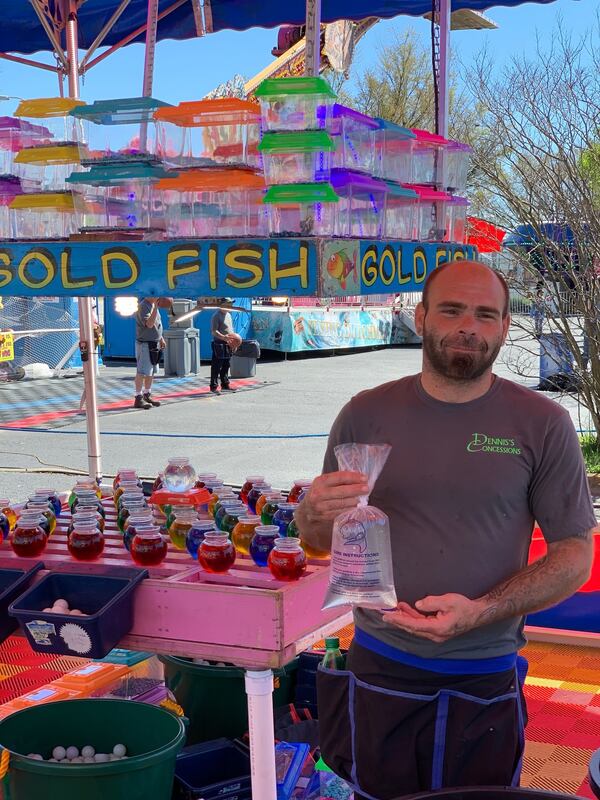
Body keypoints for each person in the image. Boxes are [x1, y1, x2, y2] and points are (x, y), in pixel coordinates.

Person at [296, 260, 595, 800]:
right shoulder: (364, 414)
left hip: (486, 671)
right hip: (380, 664)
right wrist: (312, 512)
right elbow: (322, 541)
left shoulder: (542, 423)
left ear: (505, 325)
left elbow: (574, 553)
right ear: (422, 317)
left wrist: (481, 611)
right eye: (452, 309)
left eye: (486, 314)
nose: (468, 327)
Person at [133, 297, 167, 409]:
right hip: (144, 344)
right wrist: (156, 307)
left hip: (154, 343)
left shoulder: (152, 305)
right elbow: (149, 324)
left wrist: (160, 338)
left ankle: (147, 394)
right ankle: (138, 397)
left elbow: (157, 324)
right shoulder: (143, 306)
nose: (158, 297)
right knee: (142, 371)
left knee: (151, 372)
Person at [210, 301, 241, 394]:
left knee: (226, 365)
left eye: (230, 304)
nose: (230, 306)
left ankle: (225, 384)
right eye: (228, 304)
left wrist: (235, 344)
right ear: (221, 305)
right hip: (219, 343)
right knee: (216, 366)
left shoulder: (229, 315)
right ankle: (213, 387)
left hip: (228, 343)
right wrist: (223, 337)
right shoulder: (216, 316)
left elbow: (231, 330)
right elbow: (213, 331)